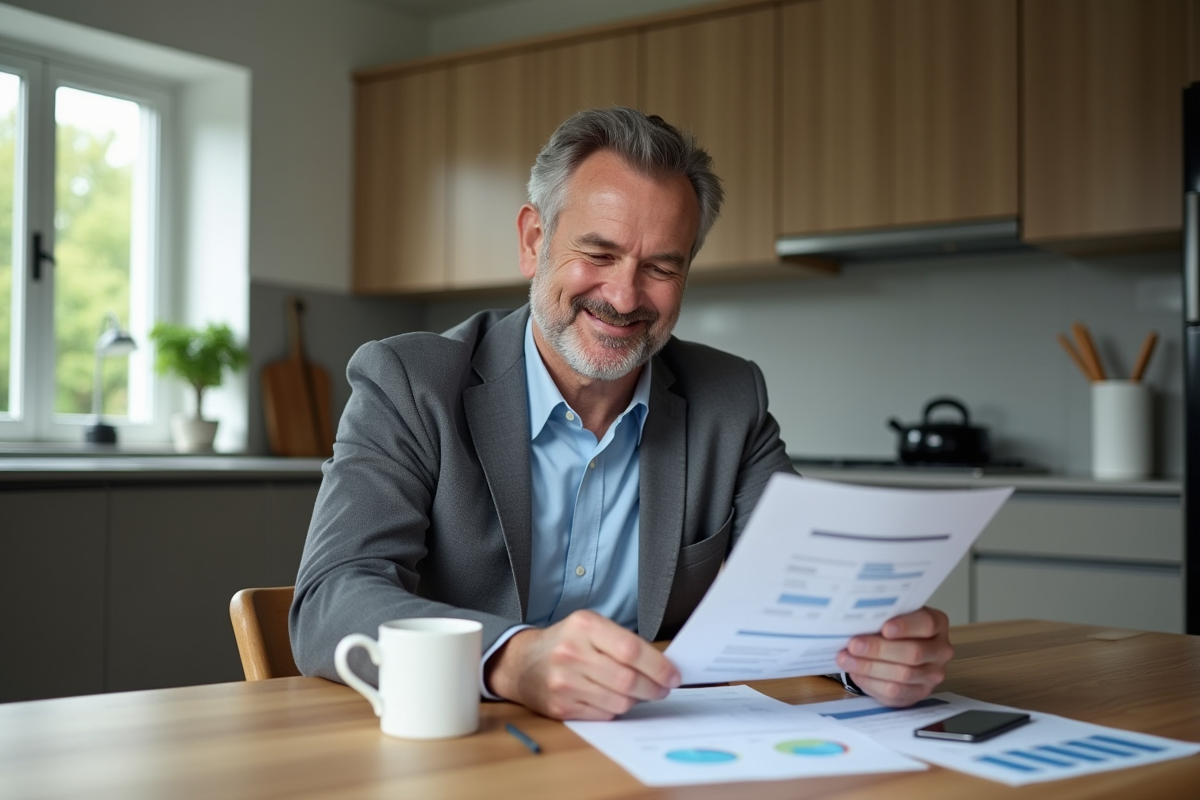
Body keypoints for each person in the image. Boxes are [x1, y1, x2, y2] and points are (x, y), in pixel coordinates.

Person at [291, 107, 953, 721]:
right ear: (533, 240)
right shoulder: (410, 383)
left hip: (649, 749)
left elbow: (812, 586)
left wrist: (877, 654)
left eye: (661, 266)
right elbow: (331, 598)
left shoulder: (730, 397)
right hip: (470, 744)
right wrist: (512, 661)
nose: (624, 294)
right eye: (600, 254)